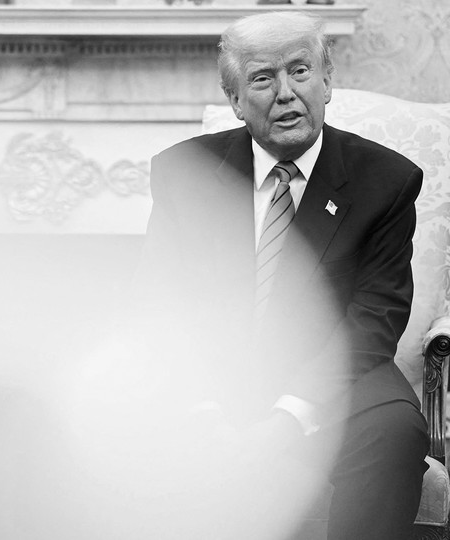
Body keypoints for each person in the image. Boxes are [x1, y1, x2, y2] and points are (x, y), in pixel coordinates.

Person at [134, 11, 428, 540]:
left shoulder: (387, 181)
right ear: (235, 99)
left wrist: (288, 418)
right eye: (263, 78)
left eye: (300, 70)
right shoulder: (184, 173)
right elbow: (161, 303)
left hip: (338, 373)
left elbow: (374, 320)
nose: (287, 93)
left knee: (395, 430)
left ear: (328, 81)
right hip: (217, 369)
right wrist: (202, 410)